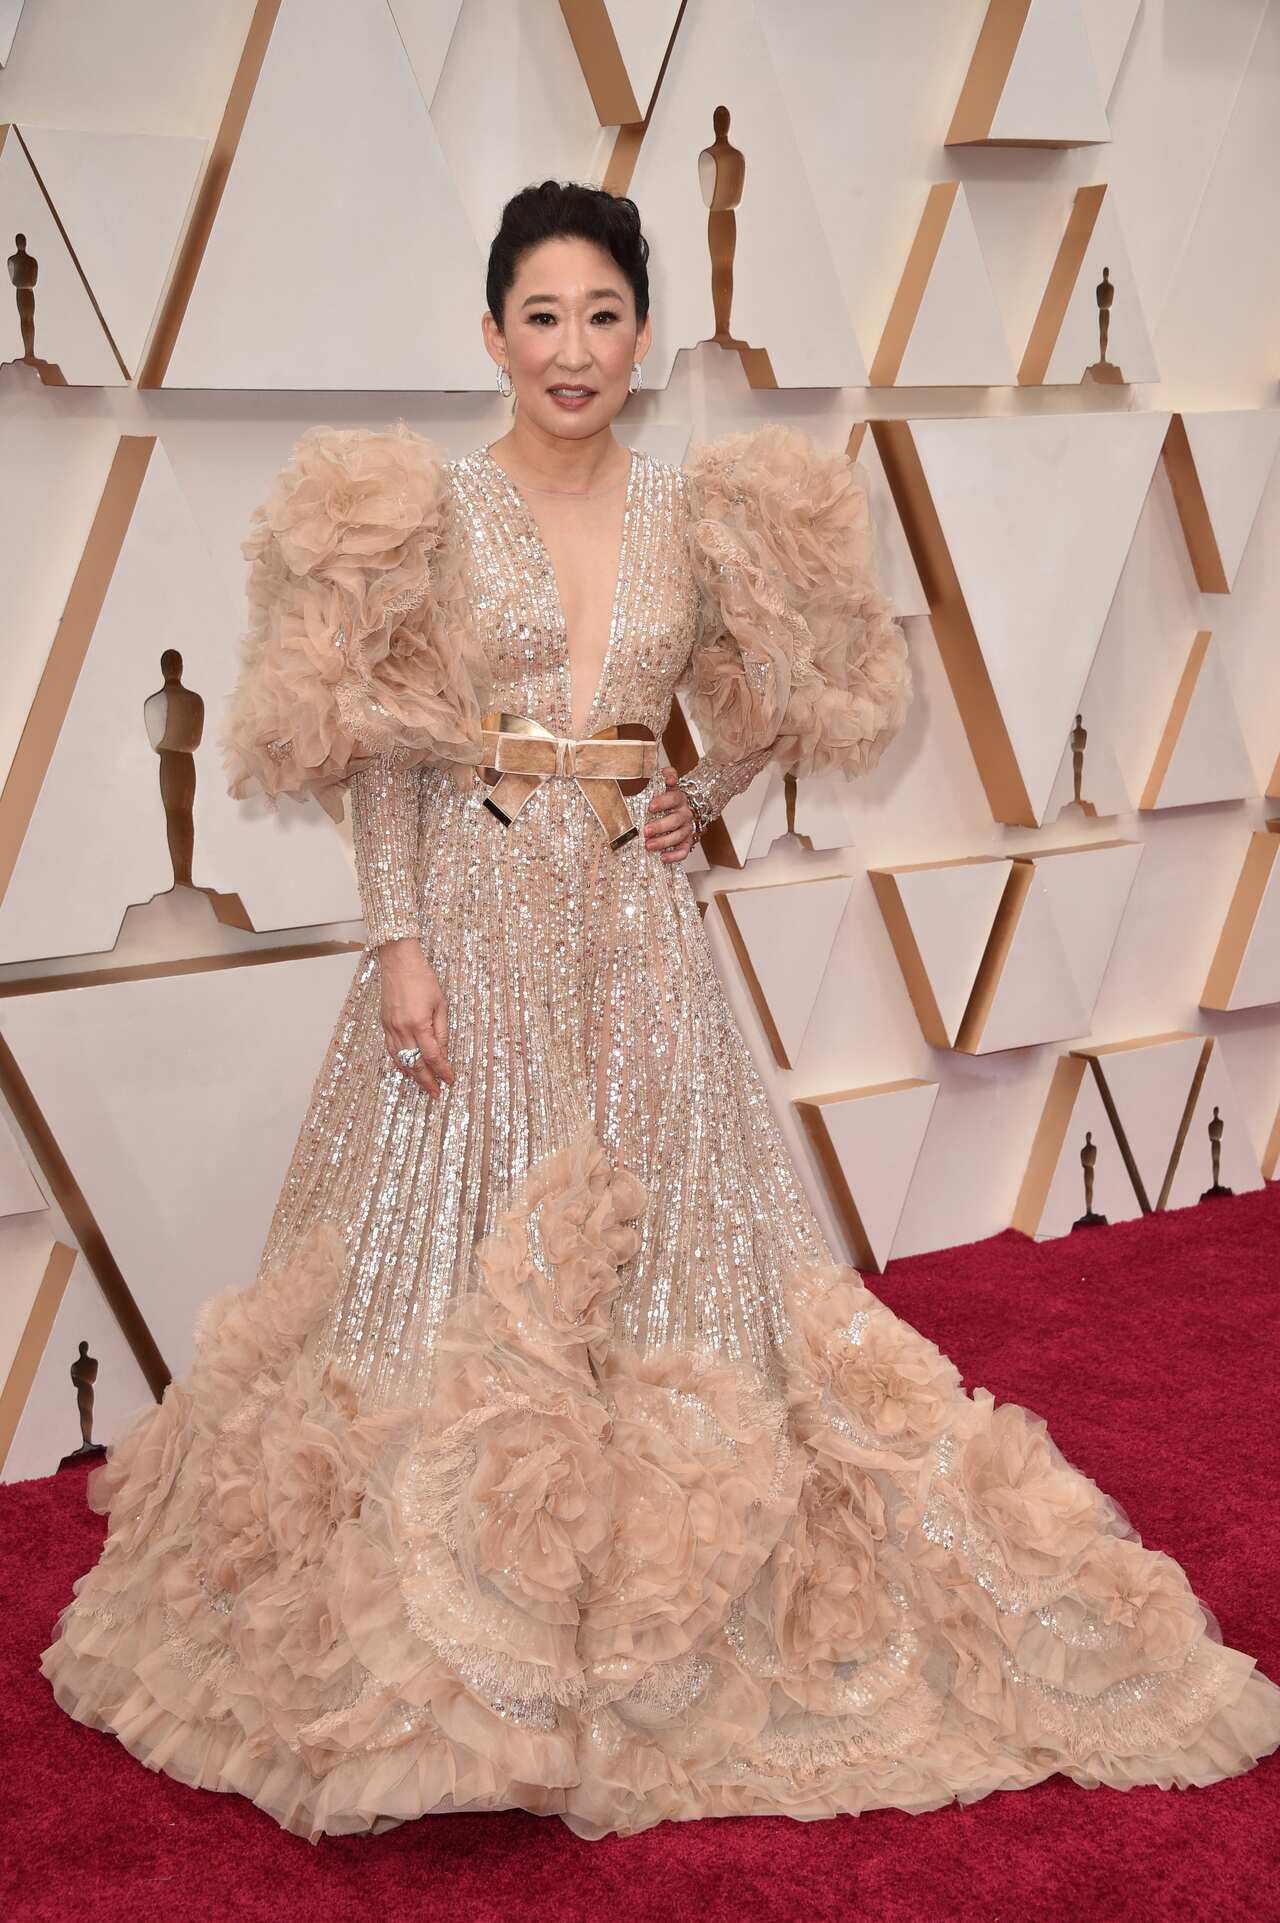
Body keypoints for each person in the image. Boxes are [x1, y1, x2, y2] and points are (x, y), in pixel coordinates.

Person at [40, 181, 1280, 1844]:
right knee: (453, 1272)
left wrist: (707, 780)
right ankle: (457, 1633)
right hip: (474, 927)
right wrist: (399, 949)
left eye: (603, 315)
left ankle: (644, 1615)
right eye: (541, 317)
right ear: (493, 334)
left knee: (668, 1256)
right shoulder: (434, 514)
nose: (573, 348)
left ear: (644, 332)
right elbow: (384, 758)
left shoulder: (697, 510)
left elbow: (801, 689)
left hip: (635, 931)